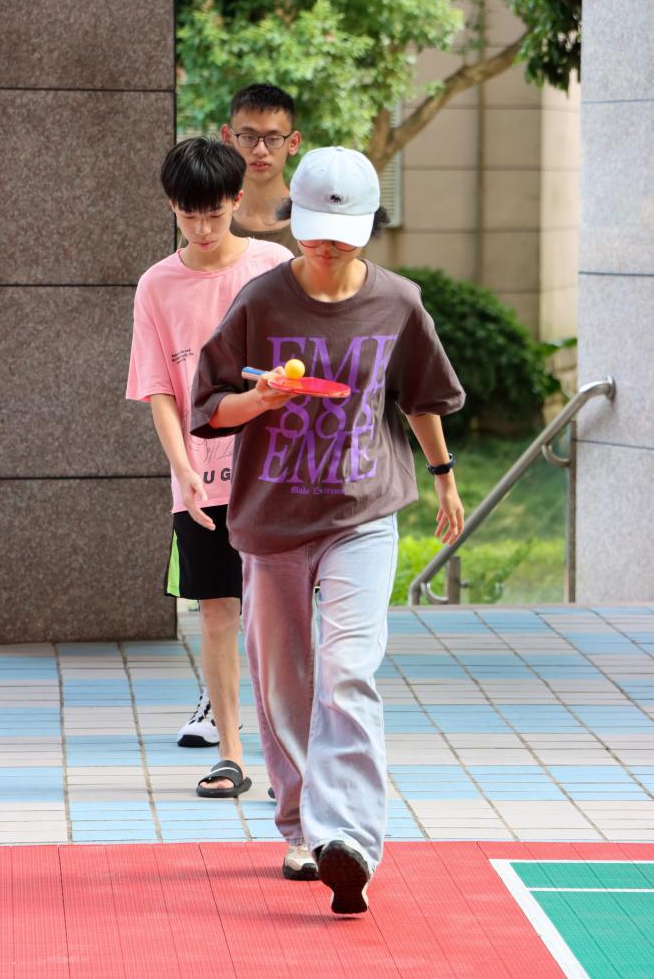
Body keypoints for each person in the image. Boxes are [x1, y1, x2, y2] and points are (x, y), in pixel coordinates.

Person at [190, 146, 465, 909]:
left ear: (369, 225)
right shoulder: (261, 301)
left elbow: (419, 396)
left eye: (341, 232)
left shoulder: (398, 302)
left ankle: (349, 838)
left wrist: (443, 476)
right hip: (272, 520)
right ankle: (300, 826)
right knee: (285, 682)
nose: (325, 244)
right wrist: (261, 400)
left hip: (361, 515)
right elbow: (209, 404)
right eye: (312, 229)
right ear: (292, 219)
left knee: (346, 669)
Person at [126, 136, 292, 797]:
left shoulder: (273, 266)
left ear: (236, 200)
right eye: (187, 215)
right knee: (217, 611)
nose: (201, 229)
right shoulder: (156, 284)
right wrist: (183, 468)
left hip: (275, 473)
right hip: (199, 478)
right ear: (172, 206)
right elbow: (159, 390)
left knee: (279, 614)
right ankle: (230, 753)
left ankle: (290, 755)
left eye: (214, 214)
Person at [221, 83, 302, 256]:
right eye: (248, 137)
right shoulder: (206, 219)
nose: (260, 150)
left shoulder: (314, 223)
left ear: (293, 143)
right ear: (227, 138)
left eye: (273, 138)